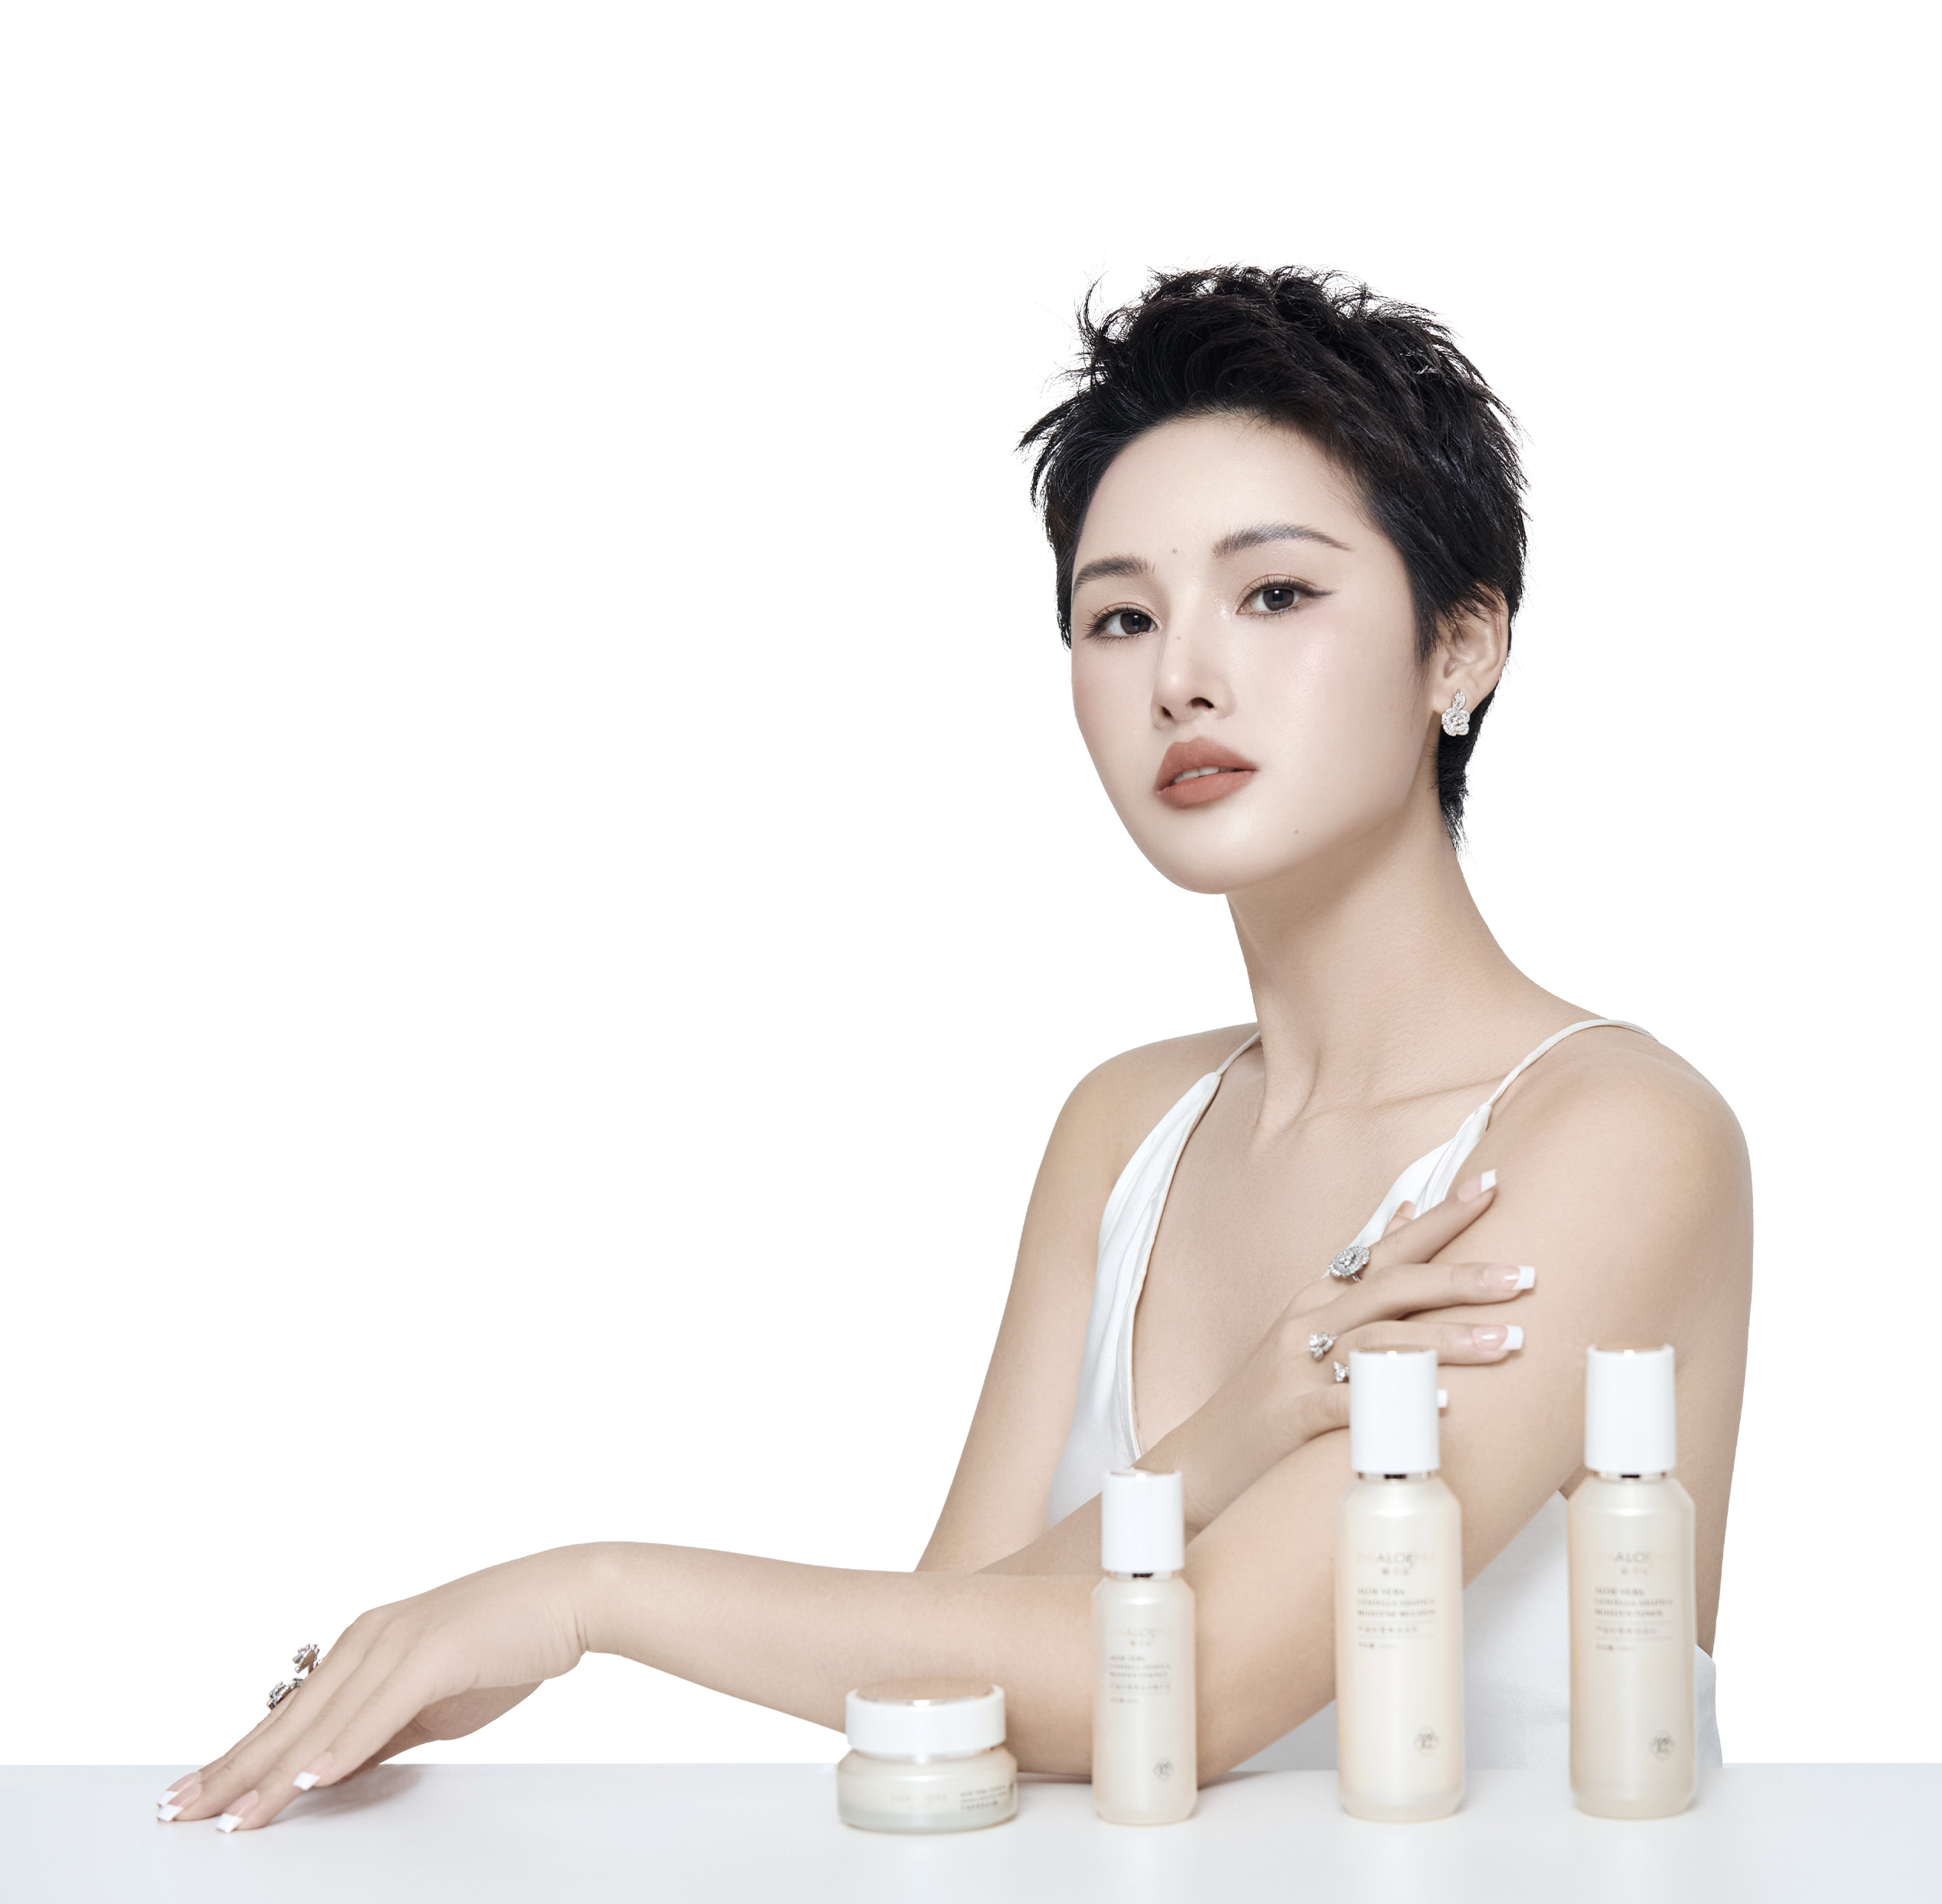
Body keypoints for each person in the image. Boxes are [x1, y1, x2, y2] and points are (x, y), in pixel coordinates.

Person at [160, 266, 1751, 1832]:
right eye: (1119, 616)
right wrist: (1224, 1443)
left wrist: (586, 1598)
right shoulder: (1126, 1127)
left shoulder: (1616, 1136)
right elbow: (943, 1671)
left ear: (1462, 648)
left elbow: (1195, 1690)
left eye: (1274, 594)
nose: (1182, 676)